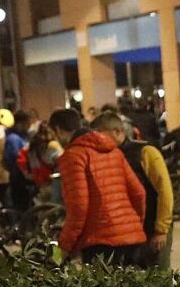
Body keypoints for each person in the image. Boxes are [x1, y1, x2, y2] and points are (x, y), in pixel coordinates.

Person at [50, 106, 148, 265]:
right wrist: (132, 225)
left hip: (100, 243)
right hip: (132, 239)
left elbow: (78, 208)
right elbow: (139, 193)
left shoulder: (73, 156)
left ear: (59, 131)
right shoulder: (113, 151)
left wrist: (62, 249)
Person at [95, 109, 175, 268]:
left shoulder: (146, 152)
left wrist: (161, 229)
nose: (96, 140)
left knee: (158, 279)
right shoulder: (108, 156)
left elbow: (165, 191)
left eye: (100, 135)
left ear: (117, 131)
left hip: (152, 226)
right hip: (129, 232)